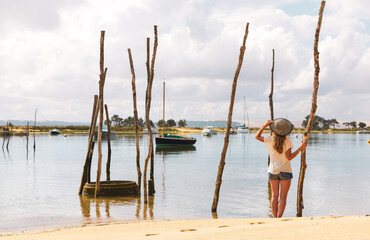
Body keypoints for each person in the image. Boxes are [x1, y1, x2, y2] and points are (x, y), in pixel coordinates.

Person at [255, 118, 307, 218]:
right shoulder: (287, 141)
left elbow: (257, 136)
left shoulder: (269, 139)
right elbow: (289, 157)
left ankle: (275, 218)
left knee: (274, 196)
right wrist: (300, 148)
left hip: (272, 171)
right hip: (286, 171)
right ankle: (279, 218)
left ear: (274, 129)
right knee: (283, 197)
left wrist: (264, 125)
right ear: (286, 130)